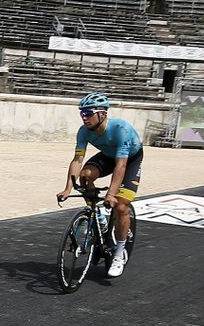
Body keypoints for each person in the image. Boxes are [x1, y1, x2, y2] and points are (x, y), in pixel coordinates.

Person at [56, 93, 143, 277]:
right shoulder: (83, 131)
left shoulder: (120, 129)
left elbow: (121, 165)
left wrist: (111, 194)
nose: (84, 117)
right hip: (108, 156)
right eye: (82, 113)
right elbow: (77, 160)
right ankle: (100, 218)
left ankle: (119, 253)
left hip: (129, 160)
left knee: (120, 206)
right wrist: (67, 188)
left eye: (88, 113)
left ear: (102, 114)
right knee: (85, 176)